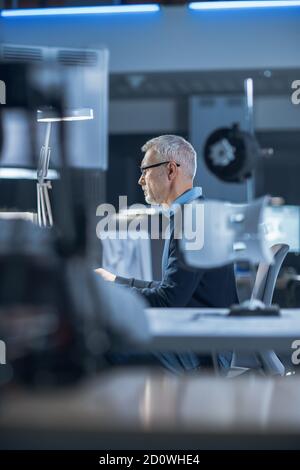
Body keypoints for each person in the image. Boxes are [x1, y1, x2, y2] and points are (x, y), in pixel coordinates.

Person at [96, 135, 238, 373]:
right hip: (200, 340)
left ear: (171, 170)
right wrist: (116, 281)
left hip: (204, 353)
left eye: (145, 171)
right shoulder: (192, 214)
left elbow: (167, 302)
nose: (140, 180)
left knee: (104, 346)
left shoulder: (192, 222)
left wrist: (114, 296)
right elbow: (170, 290)